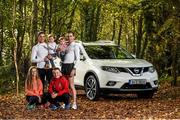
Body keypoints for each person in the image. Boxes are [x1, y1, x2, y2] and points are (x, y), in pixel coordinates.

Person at [60, 31, 80, 110]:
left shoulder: (76, 45)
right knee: (65, 86)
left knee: (71, 86)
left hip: (70, 66)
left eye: (71, 36)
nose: (69, 38)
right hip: (64, 66)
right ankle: (66, 102)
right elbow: (62, 57)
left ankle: (74, 103)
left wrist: (74, 69)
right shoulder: (66, 45)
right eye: (68, 36)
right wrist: (61, 52)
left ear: (74, 37)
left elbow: (77, 58)